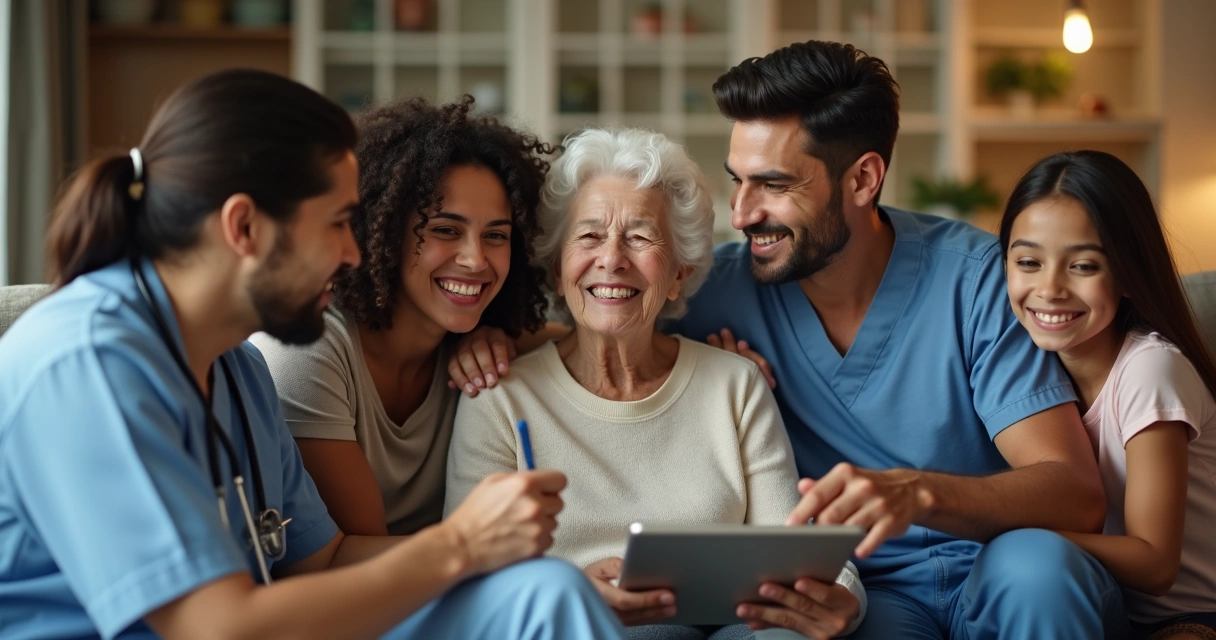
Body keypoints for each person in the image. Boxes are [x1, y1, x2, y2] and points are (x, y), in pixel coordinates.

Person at [449, 41, 1128, 639]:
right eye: (738, 181)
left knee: (1039, 568)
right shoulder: (721, 285)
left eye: (773, 184)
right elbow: (611, 314)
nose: (742, 215)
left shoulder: (975, 280)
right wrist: (497, 338)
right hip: (872, 592)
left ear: (862, 179)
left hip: (995, 564)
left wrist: (918, 493)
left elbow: (1074, 492)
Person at [0, 69, 624, 640]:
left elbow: (320, 559)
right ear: (243, 227)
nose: (353, 255)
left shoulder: (237, 370)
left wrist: (501, 552)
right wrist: (460, 543)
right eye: (335, 224)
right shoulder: (85, 365)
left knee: (543, 594)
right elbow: (216, 629)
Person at [442, 127, 864, 640]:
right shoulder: (500, 397)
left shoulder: (735, 383)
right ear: (557, 269)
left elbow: (798, 541)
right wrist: (569, 590)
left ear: (679, 274)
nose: (613, 259)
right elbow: (464, 575)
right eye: (590, 235)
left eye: (640, 237)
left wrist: (842, 598)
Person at [250, 96, 555, 536]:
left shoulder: (478, 336)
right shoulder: (308, 351)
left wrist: (499, 337)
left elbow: (585, 349)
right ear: (385, 232)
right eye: (445, 230)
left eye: (496, 236)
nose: (475, 259)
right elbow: (354, 555)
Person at [1000, 151, 1216, 640]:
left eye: (1083, 265)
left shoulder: (1151, 370)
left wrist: (1018, 535)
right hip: (1103, 602)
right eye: (1029, 262)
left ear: (1127, 270)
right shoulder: (1022, 366)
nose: (1049, 288)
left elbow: (1157, 564)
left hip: (1189, 617)